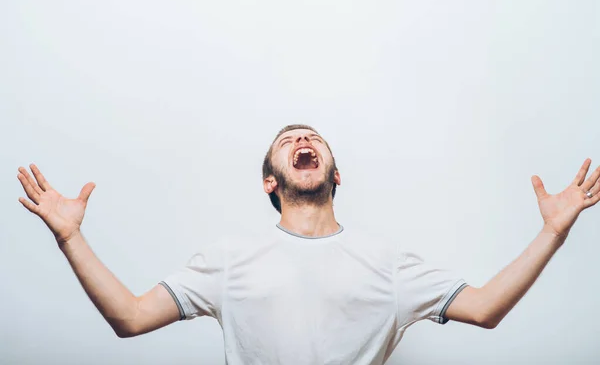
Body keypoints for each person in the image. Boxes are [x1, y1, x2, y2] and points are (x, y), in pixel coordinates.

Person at [17, 124, 600, 364]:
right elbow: (132, 317)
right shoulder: (227, 260)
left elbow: (486, 308)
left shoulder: (388, 264)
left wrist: (553, 232)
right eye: (288, 140)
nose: (302, 138)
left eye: (313, 137)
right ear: (271, 181)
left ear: (335, 174)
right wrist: (71, 238)